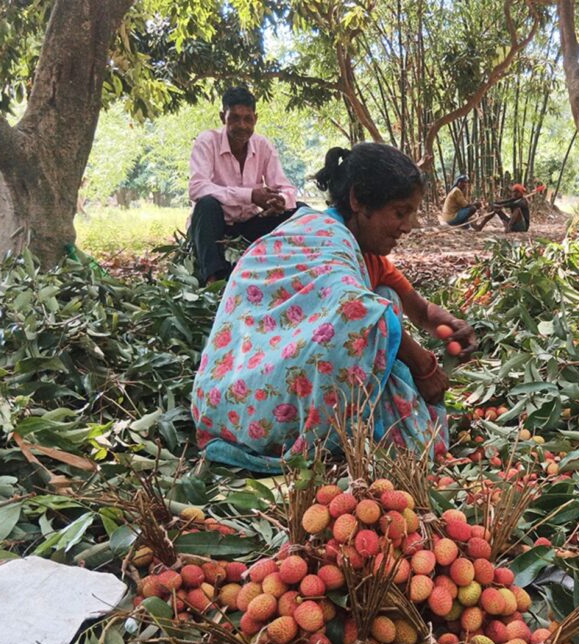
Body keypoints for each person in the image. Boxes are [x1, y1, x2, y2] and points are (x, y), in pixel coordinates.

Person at [191, 143, 478, 472]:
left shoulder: (363, 252)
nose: (409, 225)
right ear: (358, 200)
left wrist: (453, 325)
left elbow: (420, 310)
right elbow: (357, 310)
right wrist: (423, 366)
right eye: (400, 212)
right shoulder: (322, 240)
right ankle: (311, 432)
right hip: (253, 401)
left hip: (231, 397)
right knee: (375, 314)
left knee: (385, 297)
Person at [188, 86, 301, 284]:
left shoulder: (263, 145)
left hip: (248, 226)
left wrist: (279, 201)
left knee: (299, 210)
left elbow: (285, 188)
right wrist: (250, 195)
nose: (242, 126)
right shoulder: (207, 141)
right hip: (215, 228)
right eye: (235, 118)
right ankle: (213, 282)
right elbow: (197, 187)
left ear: (255, 119)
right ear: (223, 117)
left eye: (248, 119)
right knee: (206, 205)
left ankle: (297, 269)